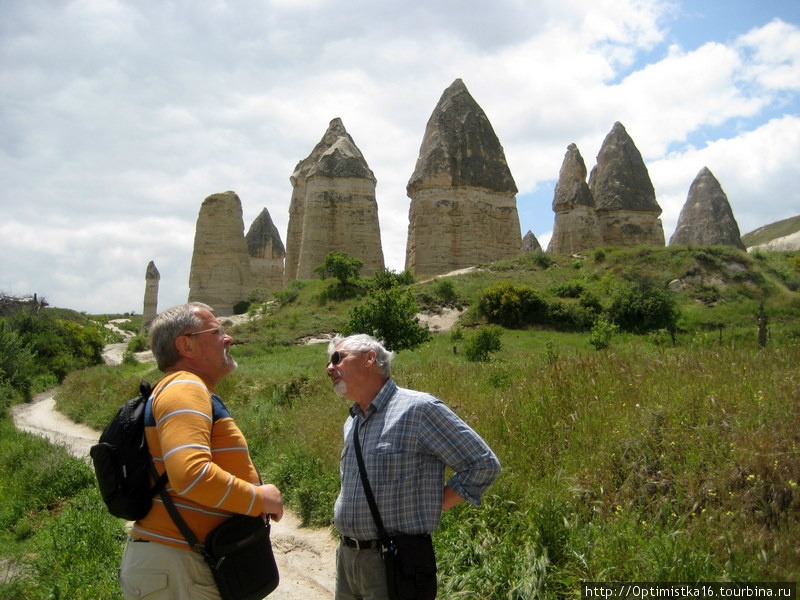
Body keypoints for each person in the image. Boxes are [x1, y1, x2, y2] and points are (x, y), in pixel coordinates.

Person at [118, 302, 284, 600]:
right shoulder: (185, 387)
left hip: (180, 564)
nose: (228, 338)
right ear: (185, 345)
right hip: (180, 567)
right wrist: (260, 499)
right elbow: (190, 475)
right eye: (217, 331)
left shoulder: (183, 388)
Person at [327, 333, 501, 600]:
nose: (330, 367)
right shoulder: (352, 421)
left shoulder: (418, 409)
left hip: (394, 562)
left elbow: (482, 464)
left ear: (369, 359)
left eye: (337, 358)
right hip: (347, 560)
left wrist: (437, 502)